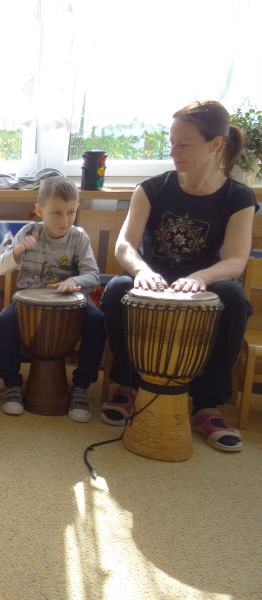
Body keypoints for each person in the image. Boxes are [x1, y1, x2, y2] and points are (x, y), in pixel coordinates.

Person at [99, 100, 257, 452]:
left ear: (215, 143)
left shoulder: (238, 197)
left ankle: (206, 405)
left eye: (183, 144)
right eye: (171, 142)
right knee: (118, 287)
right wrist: (142, 270)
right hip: (152, 280)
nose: (173, 151)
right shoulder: (151, 188)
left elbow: (235, 259)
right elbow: (124, 245)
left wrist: (202, 277)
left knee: (234, 298)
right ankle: (128, 386)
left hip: (202, 285)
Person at [0, 176, 105, 421]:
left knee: (97, 322)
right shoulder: (28, 232)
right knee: (3, 323)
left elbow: (93, 275)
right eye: (56, 213)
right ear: (39, 210)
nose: (65, 220)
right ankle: (12, 385)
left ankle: (80, 388)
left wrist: (73, 281)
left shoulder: (78, 236)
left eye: (71, 212)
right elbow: (1, 268)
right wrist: (18, 250)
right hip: (28, 304)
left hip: (71, 306)